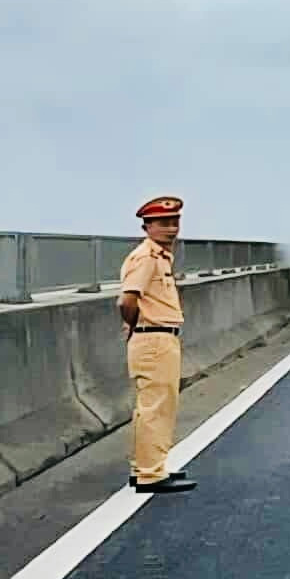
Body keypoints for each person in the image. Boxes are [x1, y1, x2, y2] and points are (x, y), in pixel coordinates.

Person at [118, 196, 195, 495]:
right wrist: (134, 323)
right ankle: (150, 474)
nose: (171, 228)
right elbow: (127, 299)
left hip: (158, 336)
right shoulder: (147, 258)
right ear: (147, 226)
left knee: (155, 407)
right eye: (163, 223)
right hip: (153, 338)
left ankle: (148, 467)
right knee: (156, 407)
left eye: (175, 222)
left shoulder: (160, 256)